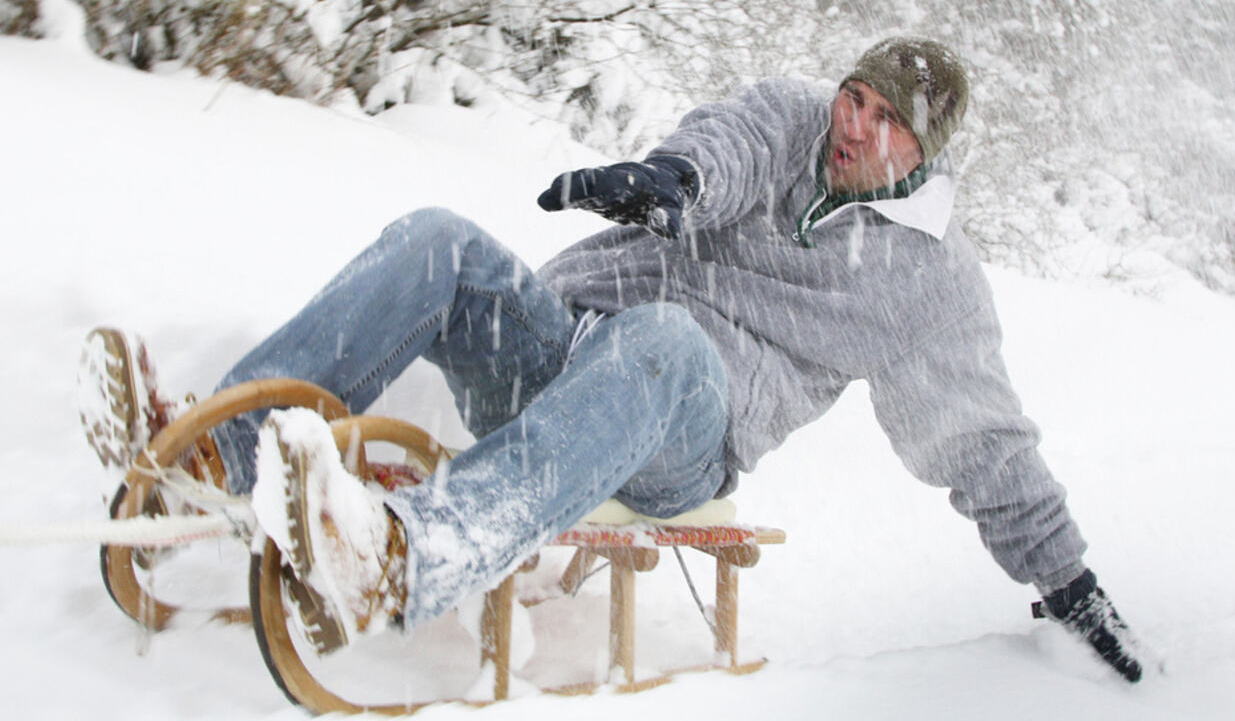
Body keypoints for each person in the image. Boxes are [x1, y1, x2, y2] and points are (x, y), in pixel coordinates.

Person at [80, 36, 1145, 681]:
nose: (854, 125)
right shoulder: (793, 118)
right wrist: (673, 179)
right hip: (564, 348)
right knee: (442, 237)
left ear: (924, 155)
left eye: (886, 122)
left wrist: (1069, 579)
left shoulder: (929, 283)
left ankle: (417, 554)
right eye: (855, 99)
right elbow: (725, 144)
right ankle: (218, 449)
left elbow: (984, 440)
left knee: (670, 341)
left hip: (683, 429)